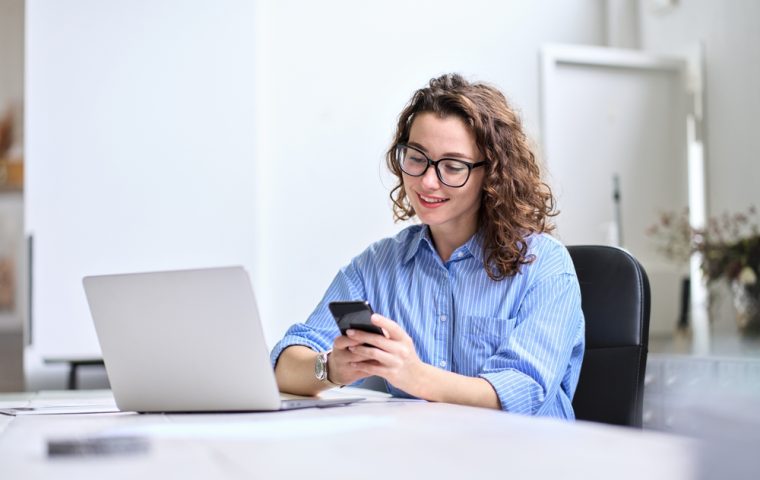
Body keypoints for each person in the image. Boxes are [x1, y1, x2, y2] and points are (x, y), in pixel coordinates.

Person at [270, 73, 585, 419]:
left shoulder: (545, 266)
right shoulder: (377, 266)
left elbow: (523, 391)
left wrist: (413, 375)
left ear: (493, 174)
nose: (427, 181)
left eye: (452, 166)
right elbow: (286, 362)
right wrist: (331, 369)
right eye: (417, 158)